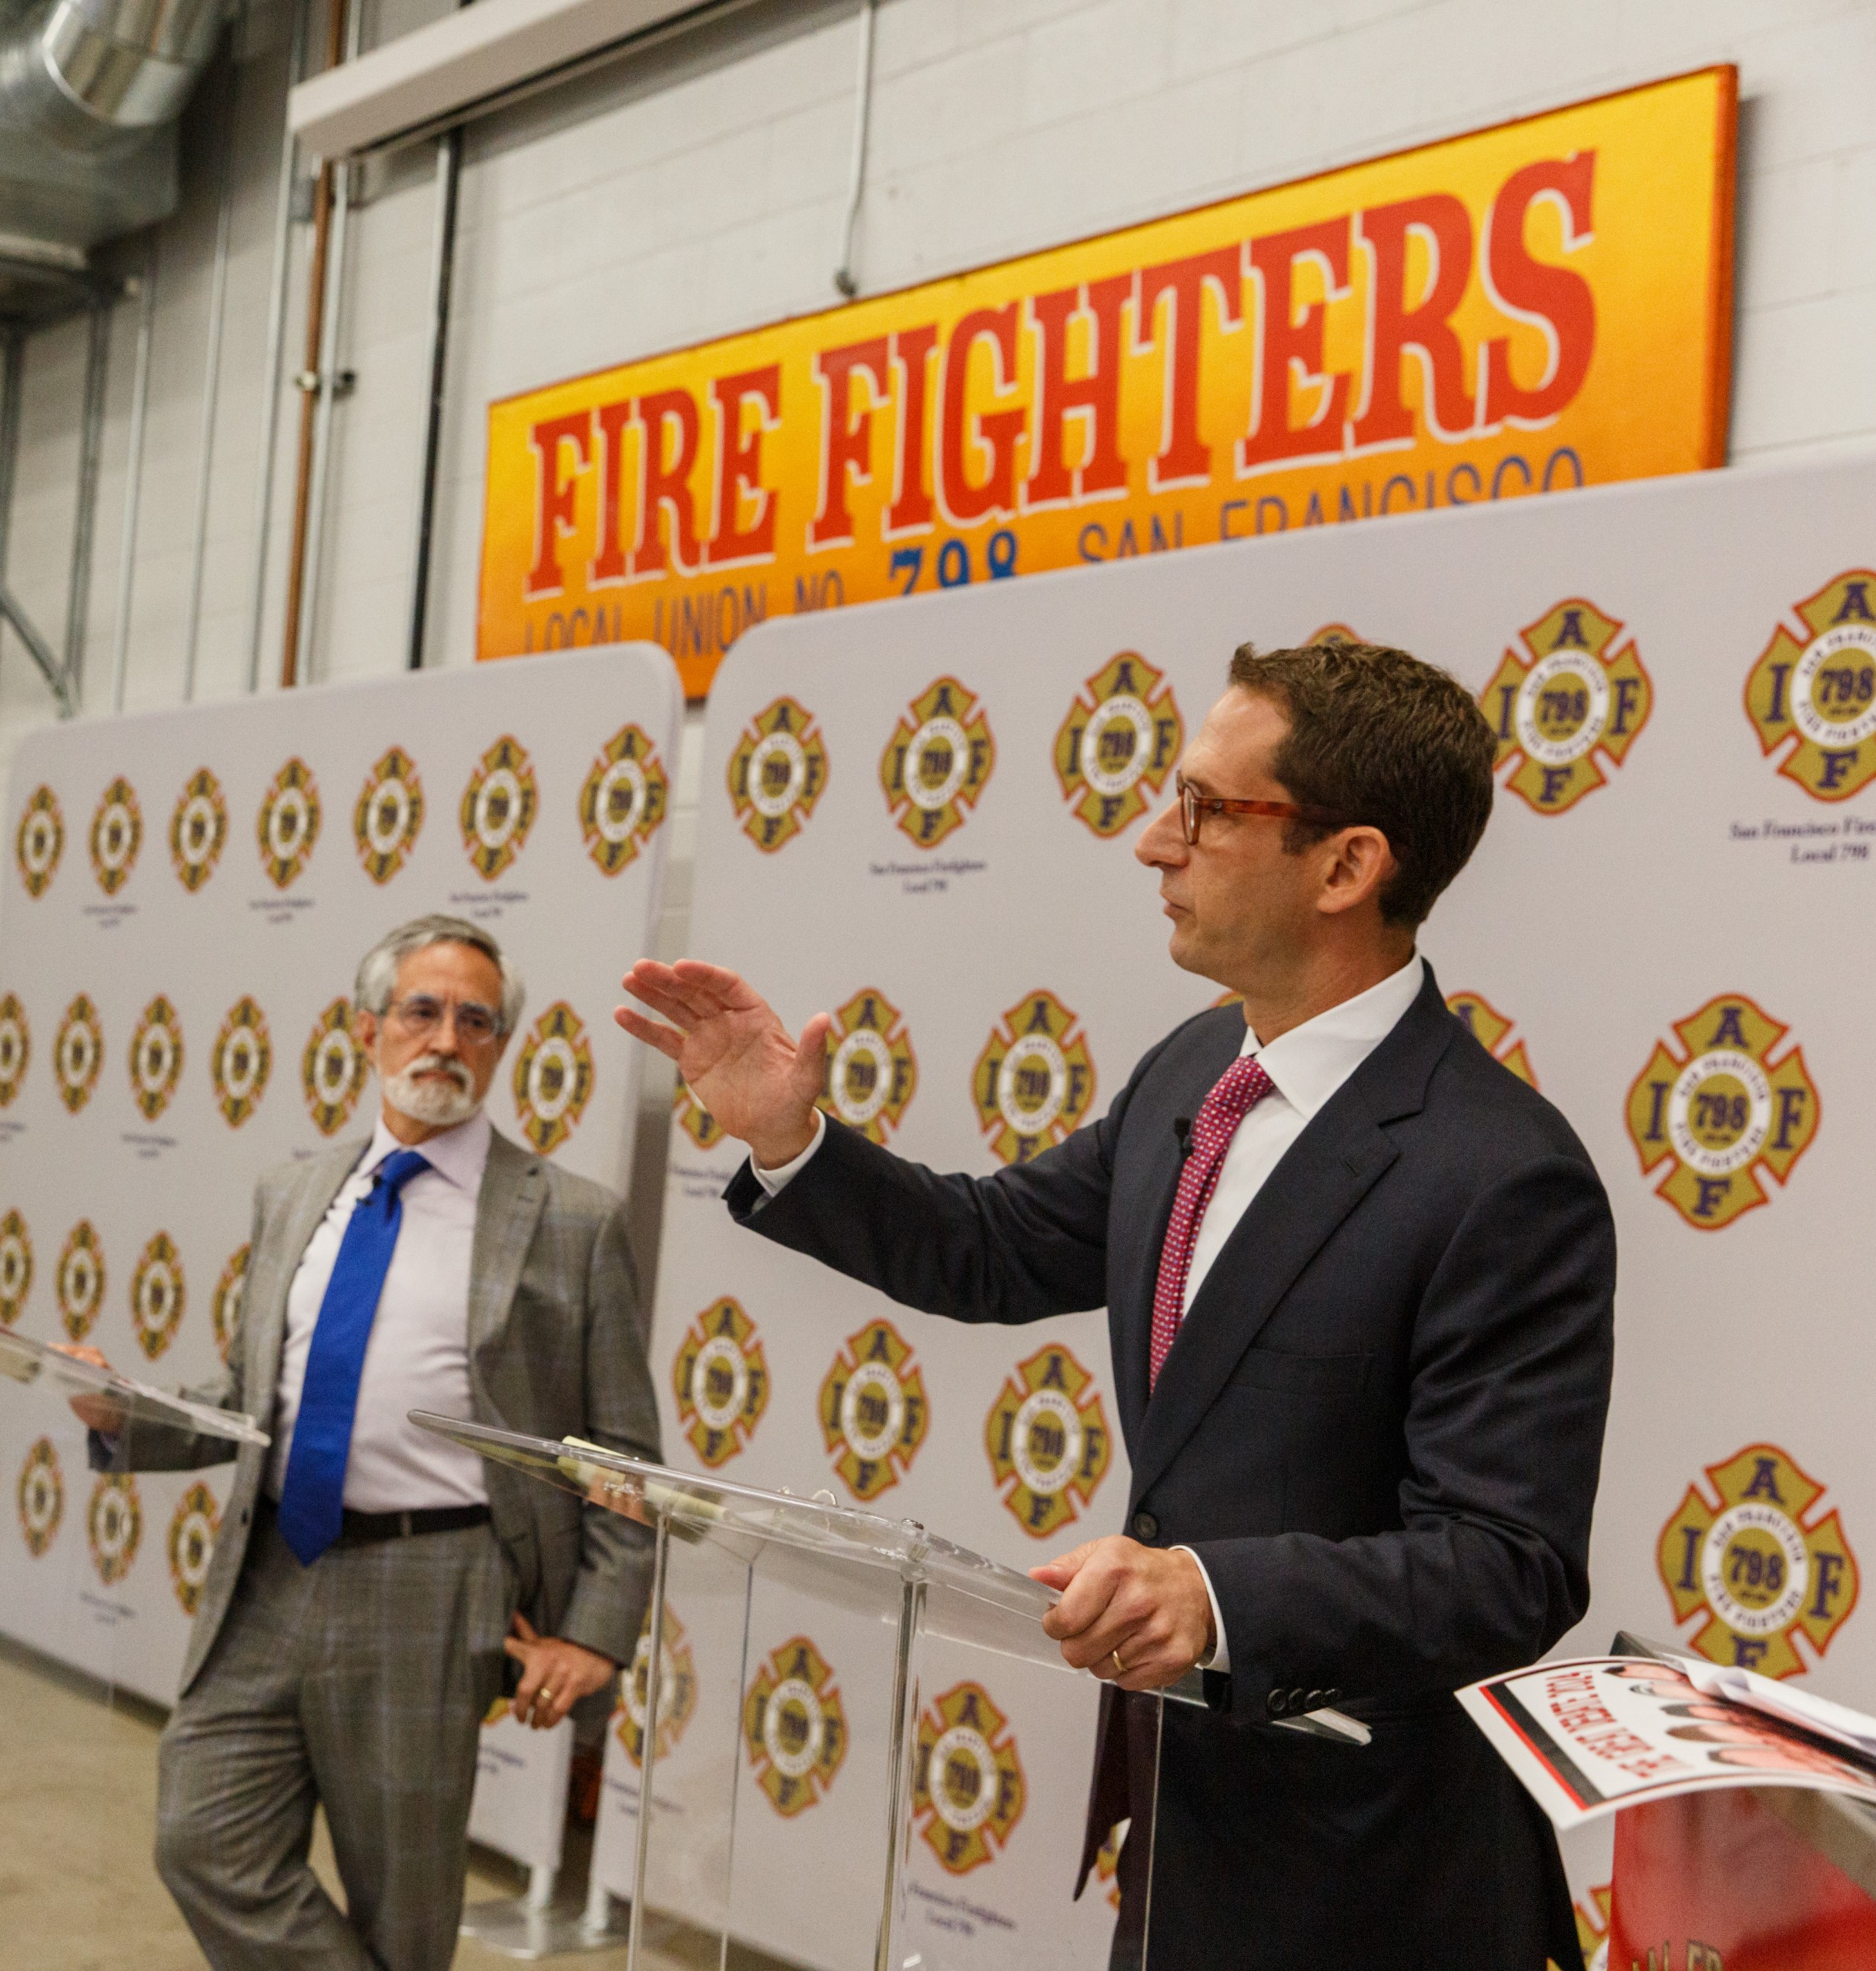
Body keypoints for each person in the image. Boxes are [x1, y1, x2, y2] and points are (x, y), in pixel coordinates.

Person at [617, 637, 1614, 1969]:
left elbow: (1507, 1563)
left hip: (1373, 1870)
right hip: (1181, 1811)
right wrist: (791, 1141)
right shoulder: (1196, 1070)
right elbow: (991, 1246)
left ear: (1346, 865)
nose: (1158, 841)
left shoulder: (1500, 1174)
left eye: (1207, 808)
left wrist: (1215, 1590)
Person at [70, 914, 662, 1971]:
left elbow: (621, 1453)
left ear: (501, 1044)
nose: (446, 1037)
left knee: (405, 1908)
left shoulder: (570, 1219)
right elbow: (256, 1395)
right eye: (421, 1011)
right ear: (368, 1030)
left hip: (434, 1585)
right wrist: (128, 1418)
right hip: (269, 1573)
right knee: (201, 1840)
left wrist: (598, 1635)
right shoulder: (296, 1191)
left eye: (476, 1020)